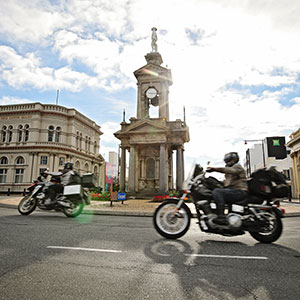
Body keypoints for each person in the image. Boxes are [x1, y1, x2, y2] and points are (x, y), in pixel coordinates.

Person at [207, 152, 248, 225]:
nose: (226, 161)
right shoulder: (229, 172)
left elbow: (230, 170)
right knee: (216, 190)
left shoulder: (237, 167)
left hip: (240, 192)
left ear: (233, 159)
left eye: (227, 159)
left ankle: (221, 216)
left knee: (218, 192)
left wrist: (215, 169)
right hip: (234, 191)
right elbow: (226, 184)